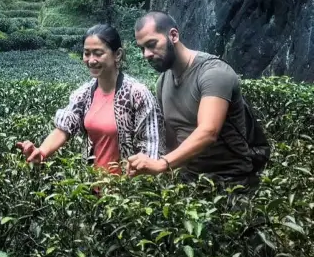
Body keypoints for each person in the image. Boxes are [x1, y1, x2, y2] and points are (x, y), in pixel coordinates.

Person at [127, 11, 256, 189]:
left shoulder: (213, 73)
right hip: (188, 183)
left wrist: (162, 164)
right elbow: (171, 137)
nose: (146, 54)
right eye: (142, 48)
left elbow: (208, 132)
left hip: (231, 185)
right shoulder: (162, 83)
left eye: (152, 44)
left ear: (173, 35)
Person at [16, 23, 165, 174]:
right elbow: (65, 127)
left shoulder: (137, 94)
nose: (91, 60)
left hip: (126, 191)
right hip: (91, 188)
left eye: (98, 53)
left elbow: (151, 147)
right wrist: (41, 152)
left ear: (117, 54)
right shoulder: (84, 93)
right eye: (87, 53)